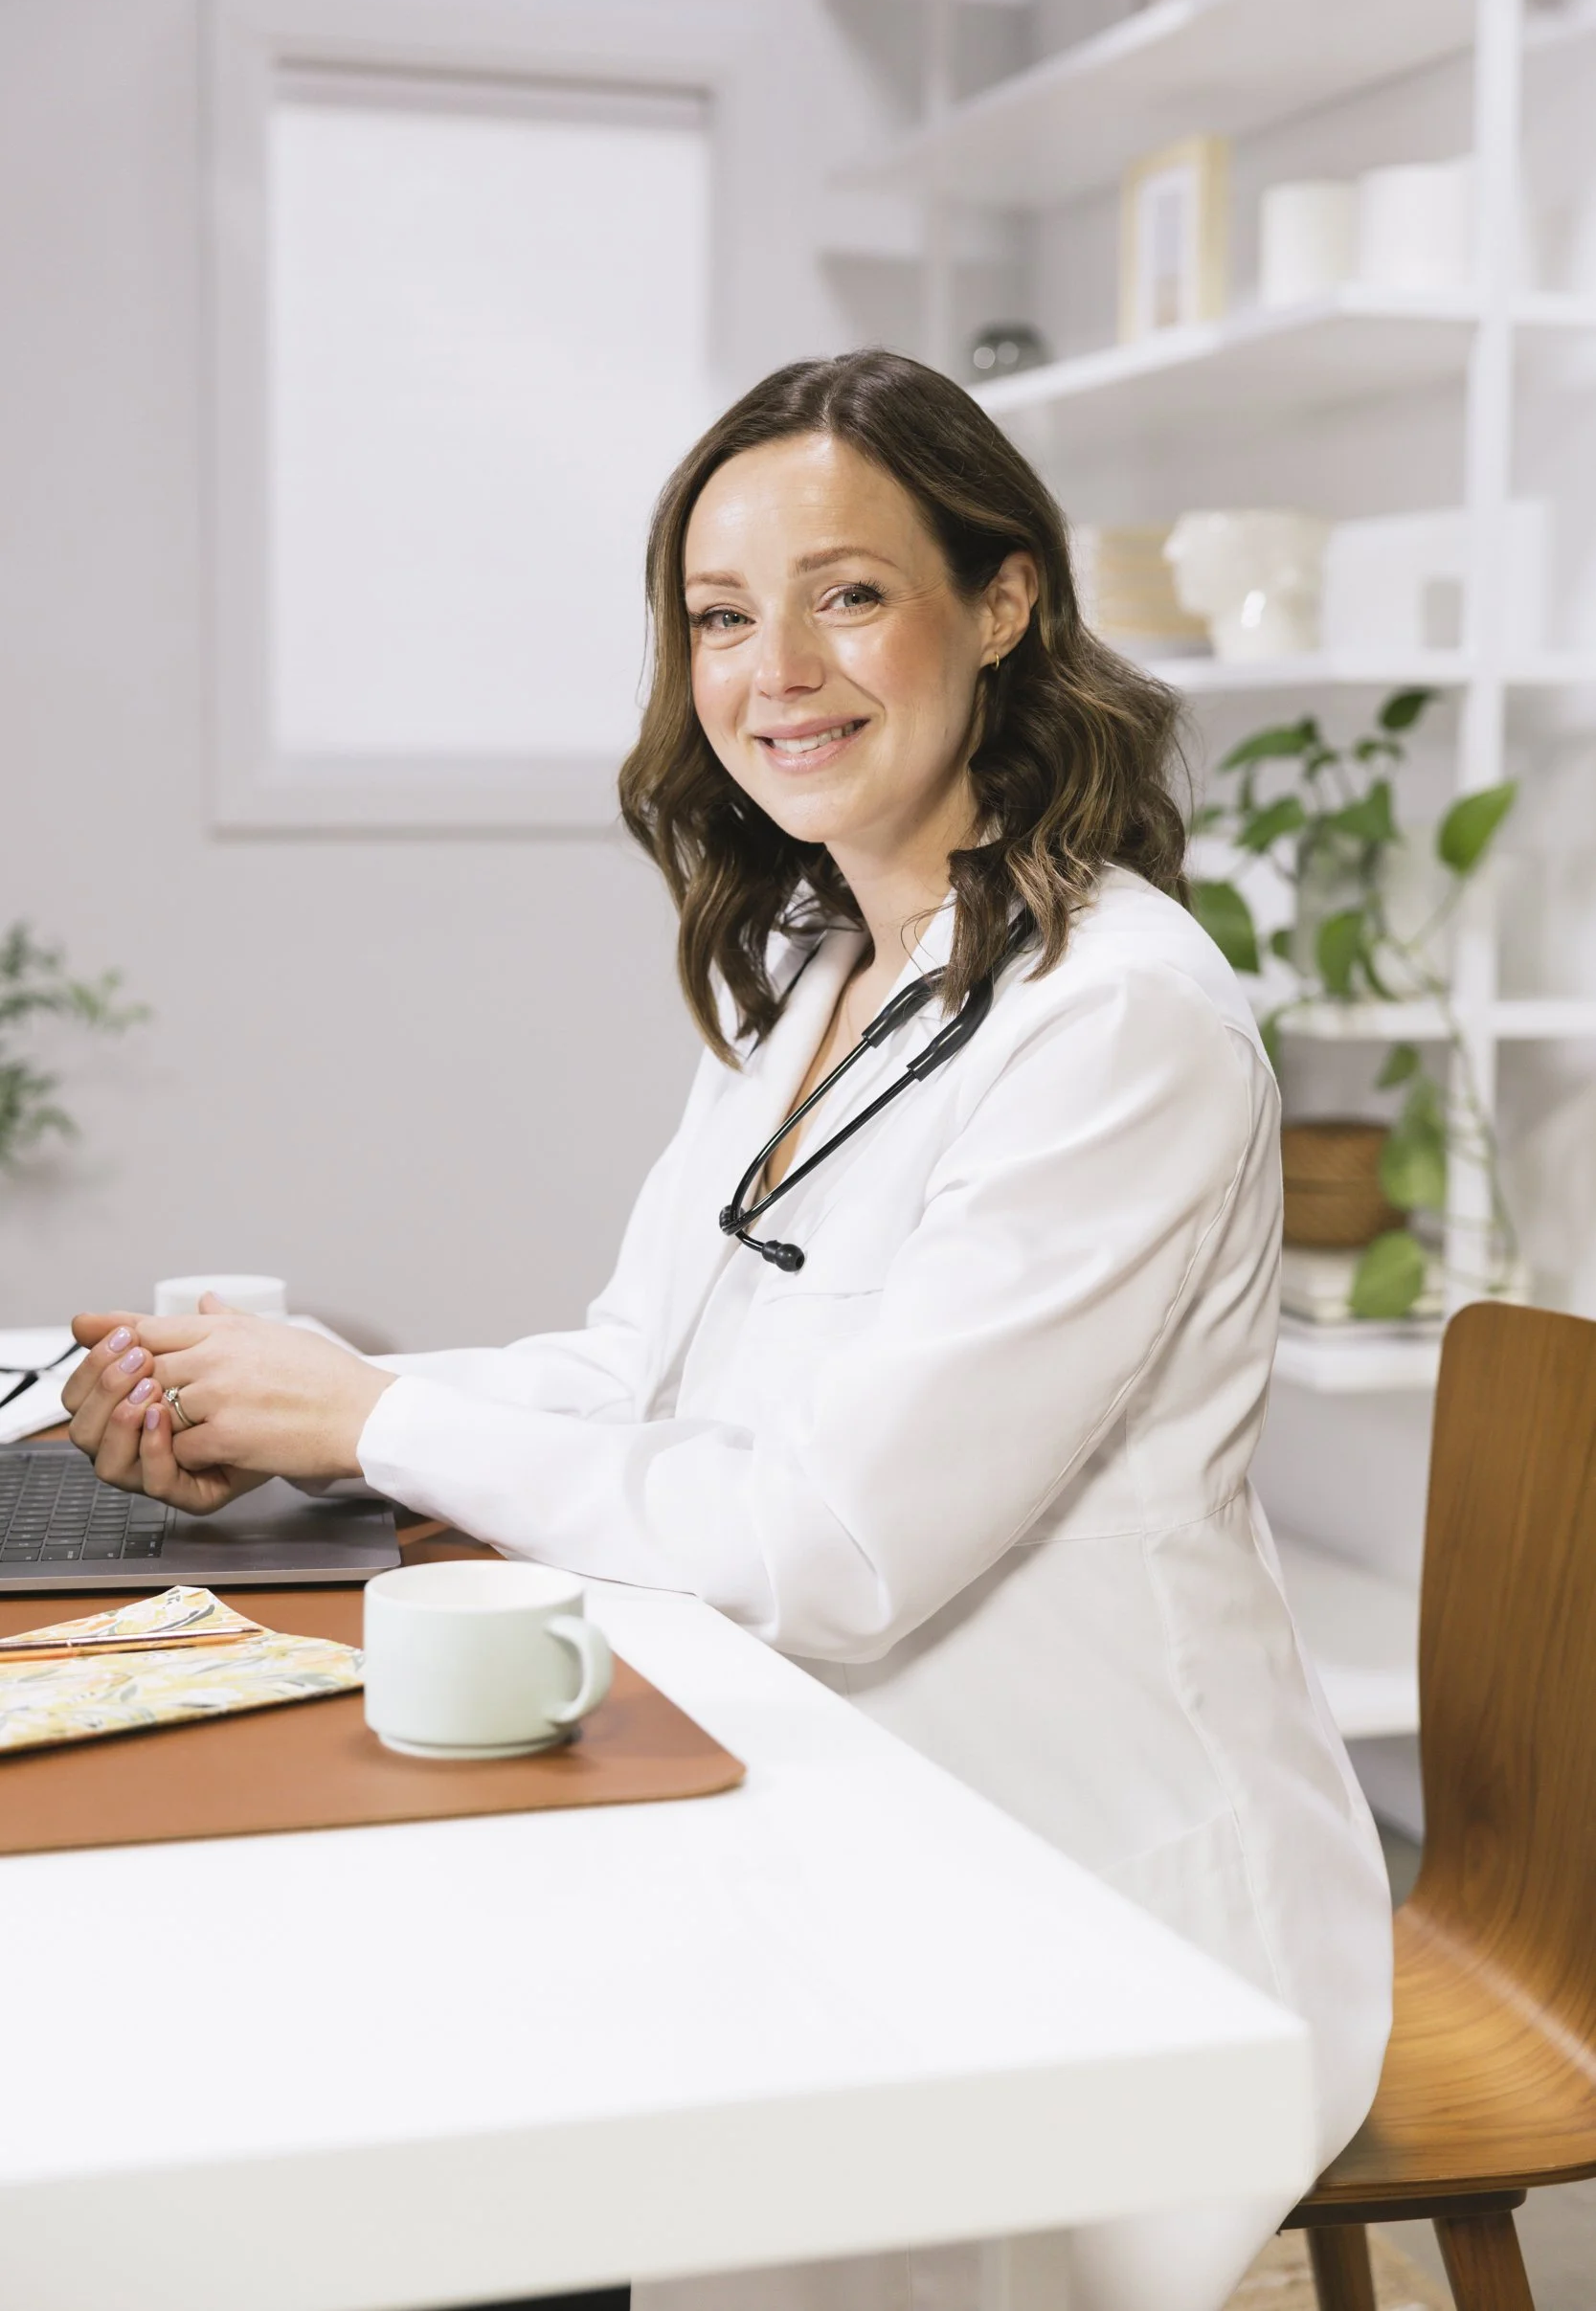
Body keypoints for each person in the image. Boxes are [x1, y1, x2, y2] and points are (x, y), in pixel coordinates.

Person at [64, 349, 1391, 2311]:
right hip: (836, 1781)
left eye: (846, 591)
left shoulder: (1117, 1018)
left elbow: (830, 1552)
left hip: (1098, 1893)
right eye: (716, 613)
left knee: (470, 2140)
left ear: (1001, 599)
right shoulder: (820, 965)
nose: (774, 665)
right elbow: (637, 1368)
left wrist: (369, 1418)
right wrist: (275, 1409)